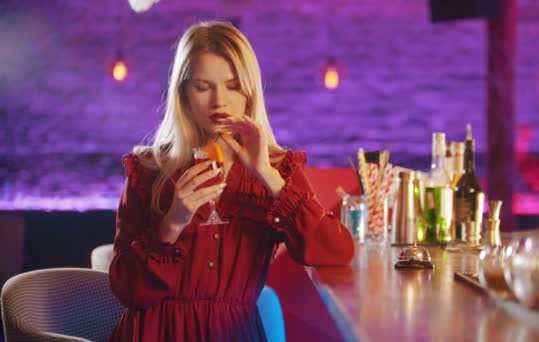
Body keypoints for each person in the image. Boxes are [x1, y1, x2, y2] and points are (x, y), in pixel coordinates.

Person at [109, 20, 355, 341]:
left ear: (249, 91)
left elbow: (335, 252)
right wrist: (171, 223)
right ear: (183, 94)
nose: (219, 101)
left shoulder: (277, 170)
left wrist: (267, 175)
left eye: (233, 85)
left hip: (235, 334)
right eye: (202, 86)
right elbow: (126, 288)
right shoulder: (149, 169)